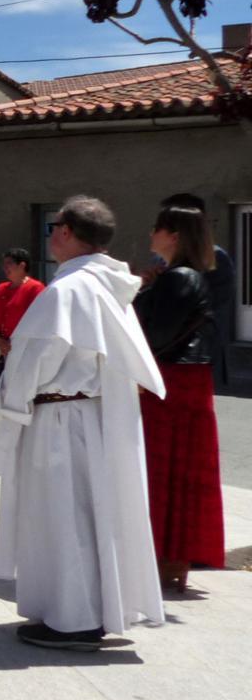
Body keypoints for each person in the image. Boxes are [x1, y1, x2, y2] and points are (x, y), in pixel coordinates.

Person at [0, 195, 165, 651]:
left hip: (60, 421)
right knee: (87, 517)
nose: (51, 237)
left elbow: (35, 358)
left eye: (54, 229)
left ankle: (74, 621)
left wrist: (10, 396)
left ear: (66, 232)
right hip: (92, 415)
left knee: (64, 519)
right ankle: (84, 611)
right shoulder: (109, 286)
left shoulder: (67, 290)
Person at [134, 203, 224, 592]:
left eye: (157, 228)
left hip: (170, 380)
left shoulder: (179, 278)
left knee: (161, 470)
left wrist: (141, 293)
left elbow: (153, 335)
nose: (151, 233)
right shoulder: (184, 276)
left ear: (173, 236)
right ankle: (172, 559)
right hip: (184, 378)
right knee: (180, 473)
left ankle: (162, 557)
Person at [161, 192, 236, 391]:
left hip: (197, 356)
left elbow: (206, 307)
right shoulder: (162, 258)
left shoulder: (214, 257)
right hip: (170, 356)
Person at [0, 247, 44, 389]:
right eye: (4, 264)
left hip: (25, 348)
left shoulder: (35, 288)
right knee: (6, 389)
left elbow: (39, 319)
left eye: (9, 263)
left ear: (22, 265)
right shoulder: (1, 288)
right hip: (2, 346)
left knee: (23, 388)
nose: (5, 267)